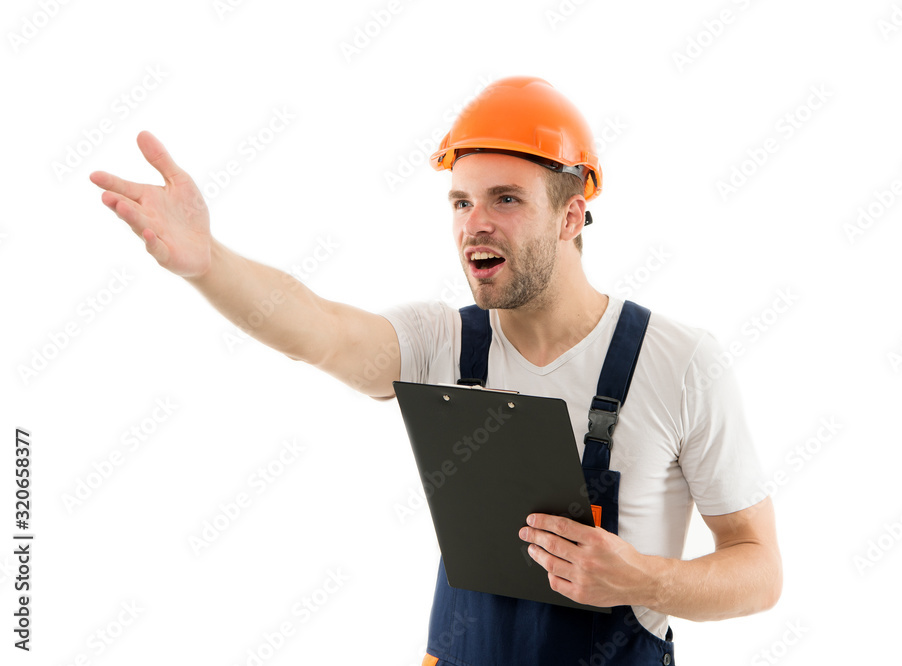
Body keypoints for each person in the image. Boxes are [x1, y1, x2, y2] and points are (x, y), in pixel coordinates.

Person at [90, 75, 781, 665]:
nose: (473, 223)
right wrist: (208, 262)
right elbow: (318, 331)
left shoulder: (680, 362)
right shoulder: (442, 343)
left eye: (505, 199)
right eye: (460, 201)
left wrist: (645, 580)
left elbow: (760, 571)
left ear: (572, 215)